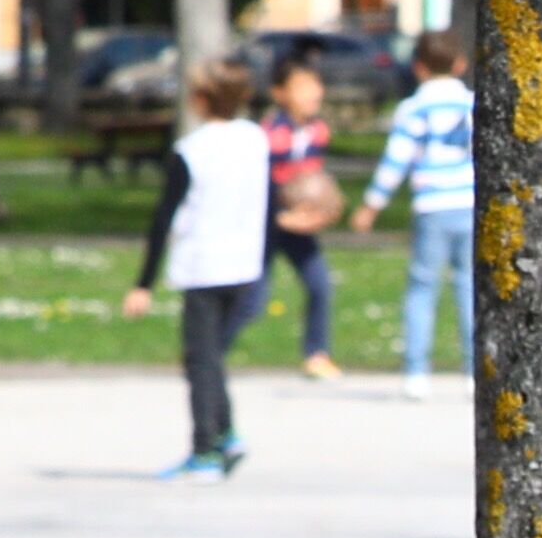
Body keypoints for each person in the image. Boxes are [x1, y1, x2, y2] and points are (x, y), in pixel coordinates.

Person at [121, 55, 271, 476]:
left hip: (204, 268)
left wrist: (143, 283)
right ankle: (225, 434)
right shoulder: (255, 140)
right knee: (210, 358)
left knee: (201, 361)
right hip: (245, 265)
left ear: (201, 99)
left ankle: (205, 450)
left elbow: (162, 219)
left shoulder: (192, 151)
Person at [359, 27, 478, 388]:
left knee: (423, 285)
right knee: (469, 285)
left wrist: (372, 203)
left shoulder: (414, 109)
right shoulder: (472, 103)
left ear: (418, 67)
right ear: (460, 63)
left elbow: (397, 159)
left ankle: (416, 371)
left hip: (432, 204)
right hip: (468, 201)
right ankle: (474, 369)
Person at [260, 56, 349, 381]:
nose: (314, 92)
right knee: (252, 297)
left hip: (298, 225)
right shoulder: (269, 134)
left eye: (316, 85)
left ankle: (316, 354)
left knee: (320, 285)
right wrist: (279, 218)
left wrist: (325, 210)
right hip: (267, 224)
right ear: (280, 93)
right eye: (303, 87)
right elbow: (260, 188)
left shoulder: (318, 131)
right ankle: (213, 349)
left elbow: (312, 186)